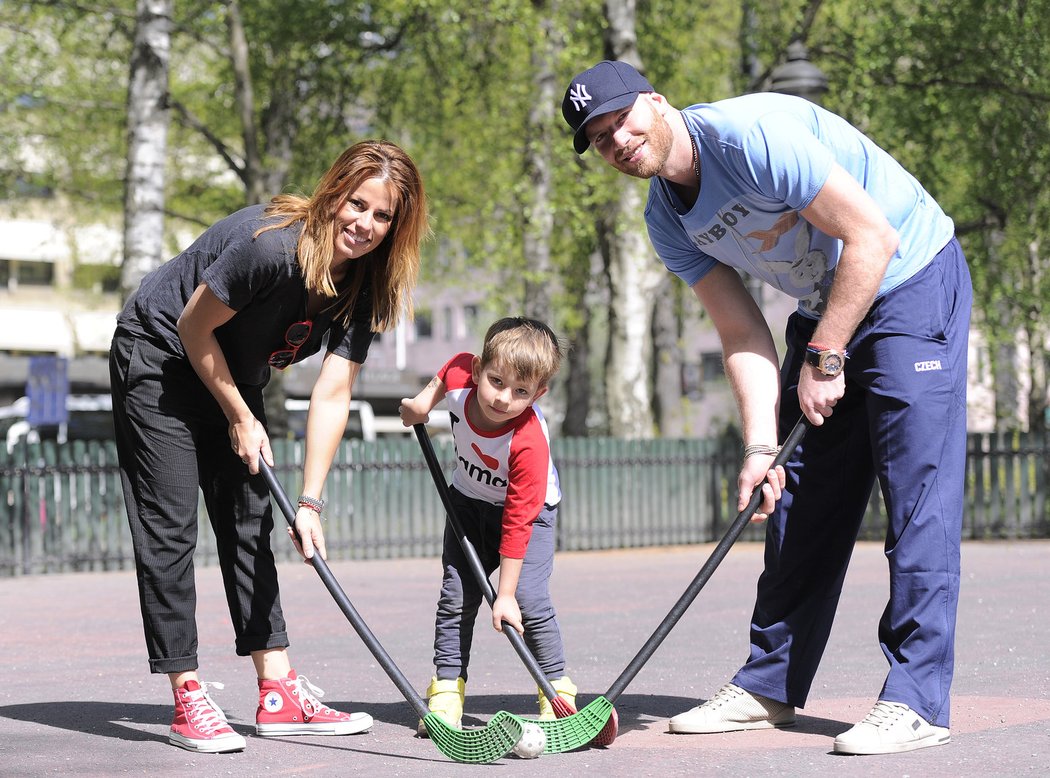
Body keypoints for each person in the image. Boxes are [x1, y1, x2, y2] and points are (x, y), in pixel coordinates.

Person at [561, 60, 971, 755]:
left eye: (622, 120)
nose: (618, 142)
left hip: (910, 281)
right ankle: (767, 686)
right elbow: (741, 332)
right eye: (599, 140)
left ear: (656, 100)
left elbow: (872, 240)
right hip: (829, 308)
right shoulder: (666, 220)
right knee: (795, 493)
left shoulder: (749, 136)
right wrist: (759, 447)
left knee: (917, 499)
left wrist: (827, 356)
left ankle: (916, 699)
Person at [109, 139, 429, 753]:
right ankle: (186, 694)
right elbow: (192, 327)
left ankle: (276, 690)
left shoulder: (364, 285)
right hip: (161, 355)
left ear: (397, 226)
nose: (363, 224)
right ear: (334, 193)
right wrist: (238, 414)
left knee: (252, 520)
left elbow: (333, 393)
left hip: (234, 370)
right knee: (170, 522)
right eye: (355, 204)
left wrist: (310, 503)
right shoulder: (272, 248)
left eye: (382, 215)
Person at [398, 317, 576, 732]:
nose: (503, 398)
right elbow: (450, 368)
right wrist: (422, 403)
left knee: (529, 601)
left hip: (530, 518)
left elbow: (518, 521)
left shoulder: (529, 442)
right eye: (496, 381)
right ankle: (445, 690)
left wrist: (507, 595)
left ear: (539, 394)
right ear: (479, 370)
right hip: (467, 506)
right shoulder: (463, 374)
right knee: (456, 598)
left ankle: (557, 690)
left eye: (521, 392)